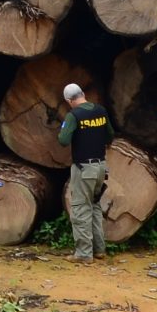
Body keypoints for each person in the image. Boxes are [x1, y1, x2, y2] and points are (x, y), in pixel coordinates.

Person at [56, 82, 113, 260]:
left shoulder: (74, 115)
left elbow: (63, 140)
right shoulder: (100, 111)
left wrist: (65, 128)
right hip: (100, 166)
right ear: (82, 94)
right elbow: (110, 135)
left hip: (84, 168)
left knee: (81, 208)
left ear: (68, 100)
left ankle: (83, 253)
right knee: (95, 206)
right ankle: (99, 249)